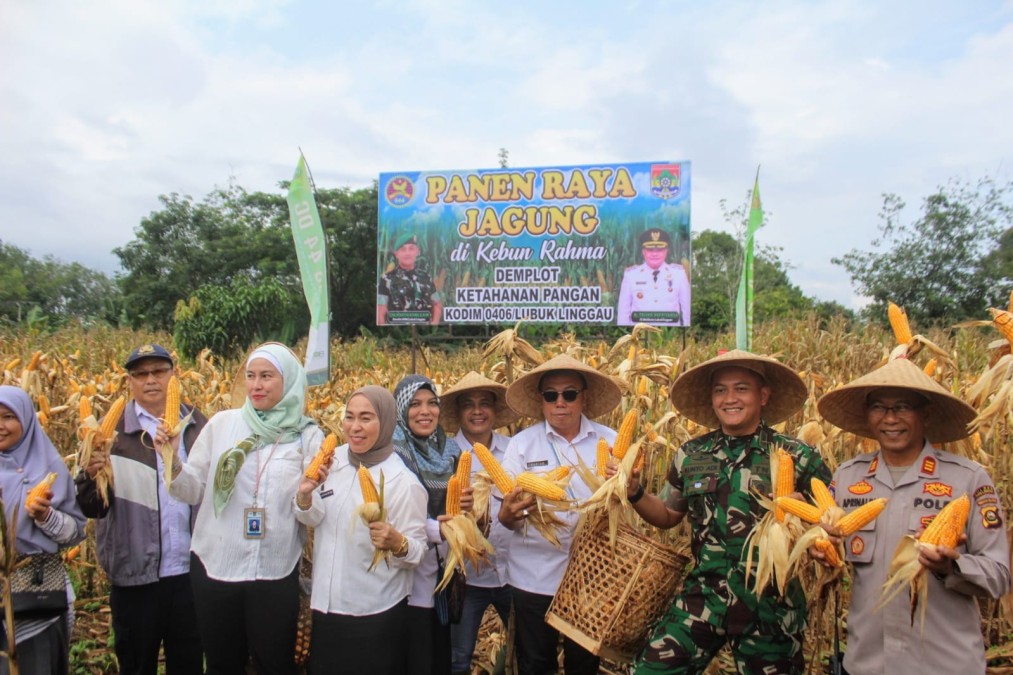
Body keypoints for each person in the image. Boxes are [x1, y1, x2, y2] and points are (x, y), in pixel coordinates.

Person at [625, 349, 829, 674]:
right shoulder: (691, 455)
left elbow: (832, 527)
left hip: (771, 603)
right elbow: (666, 514)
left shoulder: (799, 457)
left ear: (763, 395)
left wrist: (805, 516)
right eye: (720, 390)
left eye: (741, 388)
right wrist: (634, 491)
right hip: (704, 597)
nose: (729, 398)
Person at [815, 357, 1010, 674]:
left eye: (903, 407)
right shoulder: (848, 478)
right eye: (879, 407)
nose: (890, 418)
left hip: (944, 665)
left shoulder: (968, 479)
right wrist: (820, 550)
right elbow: (831, 549)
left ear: (926, 413)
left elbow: (999, 576)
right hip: (867, 663)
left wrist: (951, 566)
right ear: (868, 414)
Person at [167, 343, 324, 675]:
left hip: (275, 570)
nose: (256, 385)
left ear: (290, 382)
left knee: (275, 663)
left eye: (267, 376)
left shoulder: (307, 437)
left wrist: (306, 493)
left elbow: (312, 516)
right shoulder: (223, 425)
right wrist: (172, 461)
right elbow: (192, 489)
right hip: (215, 566)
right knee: (223, 664)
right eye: (251, 376)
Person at [75, 343, 207, 675]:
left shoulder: (198, 425)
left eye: (159, 372)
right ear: (129, 381)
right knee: (136, 665)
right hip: (135, 578)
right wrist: (90, 476)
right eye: (141, 374)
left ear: (173, 375)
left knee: (189, 664)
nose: (151, 380)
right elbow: (91, 507)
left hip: (190, 576)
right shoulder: (110, 432)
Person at [498, 354, 622, 675]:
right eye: (551, 395)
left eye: (569, 394)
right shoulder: (522, 446)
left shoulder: (610, 442)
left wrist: (623, 484)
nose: (560, 403)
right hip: (533, 576)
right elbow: (506, 517)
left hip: (591, 577)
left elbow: (630, 505)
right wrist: (509, 514)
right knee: (537, 663)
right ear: (541, 401)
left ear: (584, 397)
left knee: (583, 664)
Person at [295, 386, 428, 675]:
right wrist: (305, 494)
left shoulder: (403, 483)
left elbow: (417, 552)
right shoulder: (334, 462)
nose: (355, 427)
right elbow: (314, 517)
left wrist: (397, 542)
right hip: (326, 608)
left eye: (366, 418)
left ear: (386, 423)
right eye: (350, 417)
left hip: (374, 615)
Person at [0, 386, 86, 675]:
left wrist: (45, 516)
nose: (1, 426)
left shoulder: (49, 466)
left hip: (37, 596)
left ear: (26, 420)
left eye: (8, 417)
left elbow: (75, 534)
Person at [438, 371, 519, 675]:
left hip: (512, 572)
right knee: (458, 659)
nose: (477, 411)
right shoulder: (444, 455)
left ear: (495, 410)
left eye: (485, 403)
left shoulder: (515, 449)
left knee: (524, 653)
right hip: (465, 577)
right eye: (468, 404)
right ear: (458, 412)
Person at [391, 374, 470, 675]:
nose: (425, 411)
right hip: (407, 580)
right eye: (414, 404)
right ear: (400, 410)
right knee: (416, 659)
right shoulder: (393, 453)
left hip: (443, 574)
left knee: (440, 659)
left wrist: (468, 511)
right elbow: (394, 516)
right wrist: (439, 528)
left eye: (431, 403)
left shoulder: (452, 452)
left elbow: (463, 515)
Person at [616, 228, 690, 326]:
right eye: (650, 249)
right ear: (643, 251)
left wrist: (685, 331)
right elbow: (623, 313)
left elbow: (686, 309)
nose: (655, 254)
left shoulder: (679, 274)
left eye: (659, 249)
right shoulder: (631, 275)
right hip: (640, 334)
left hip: (669, 333)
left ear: (666, 251)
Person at [377, 233, 442, 325]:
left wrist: (434, 324)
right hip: (397, 331)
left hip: (424, 330)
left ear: (417, 252)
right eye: (403, 249)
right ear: (396, 254)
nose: (407, 253)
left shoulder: (426, 277)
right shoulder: (387, 279)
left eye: (411, 248)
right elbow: (381, 308)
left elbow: (437, 304)